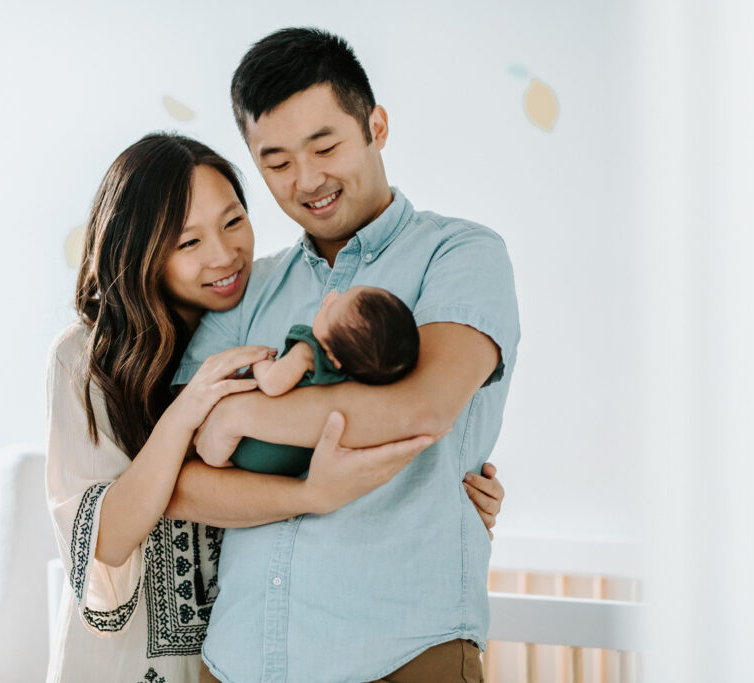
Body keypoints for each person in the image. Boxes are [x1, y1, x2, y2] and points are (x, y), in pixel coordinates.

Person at [45, 133, 504, 683]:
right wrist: (189, 413)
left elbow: (359, 422)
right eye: (188, 243)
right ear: (138, 250)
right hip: (133, 657)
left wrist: (444, 490)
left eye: (234, 222)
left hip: (232, 647)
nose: (223, 254)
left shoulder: (259, 312)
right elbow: (105, 536)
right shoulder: (87, 355)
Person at [168, 28, 520, 683]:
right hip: (237, 659)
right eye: (275, 162)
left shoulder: (460, 254)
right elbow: (179, 479)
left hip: (405, 653)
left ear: (375, 126)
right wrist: (312, 490)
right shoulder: (250, 287)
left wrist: (235, 416)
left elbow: (421, 407)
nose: (307, 180)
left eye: (324, 145)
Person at [228, 285, 420, 475]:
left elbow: (271, 384)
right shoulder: (356, 377)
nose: (331, 296)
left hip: (254, 449)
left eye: (331, 308)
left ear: (334, 357)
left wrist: (263, 362)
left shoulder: (308, 353)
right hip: (292, 462)